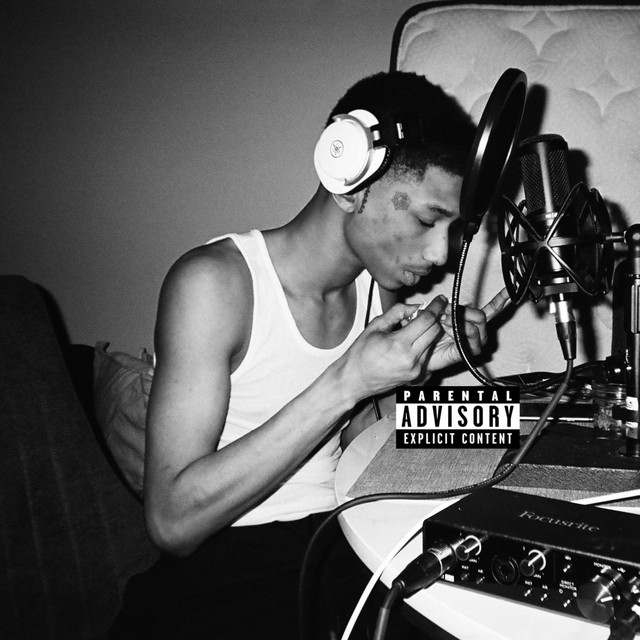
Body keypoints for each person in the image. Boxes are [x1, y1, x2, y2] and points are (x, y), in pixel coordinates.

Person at [110, 71, 510, 639]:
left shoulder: (375, 288)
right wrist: (346, 382)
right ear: (349, 179)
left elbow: (364, 441)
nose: (441, 254)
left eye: (454, 229)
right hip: (229, 564)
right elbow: (172, 521)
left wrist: (429, 381)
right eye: (427, 219)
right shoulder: (215, 285)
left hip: (341, 538)